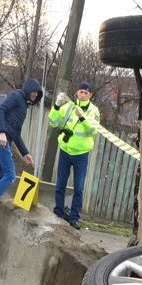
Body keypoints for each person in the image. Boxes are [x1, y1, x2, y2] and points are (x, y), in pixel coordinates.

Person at [0, 77, 43, 219]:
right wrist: (2, 132)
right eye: (33, 92)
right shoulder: (16, 96)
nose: (35, 95)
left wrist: (25, 153)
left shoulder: (24, 105)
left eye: (37, 93)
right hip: (0, 139)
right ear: (28, 89)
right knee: (10, 175)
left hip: (2, 139)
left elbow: (16, 134)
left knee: (1, 175)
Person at [48, 81, 100, 229]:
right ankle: (58, 213)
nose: (83, 95)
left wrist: (82, 118)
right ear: (77, 92)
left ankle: (74, 217)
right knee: (60, 184)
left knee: (78, 188)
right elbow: (53, 122)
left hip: (81, 154)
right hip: (65, 150)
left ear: (90, 95)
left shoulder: (93, 111)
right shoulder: (68, 106)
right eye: (81, 92)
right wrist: (56, 106)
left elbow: (93, 131)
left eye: (86, 93)